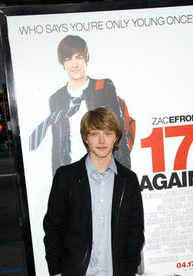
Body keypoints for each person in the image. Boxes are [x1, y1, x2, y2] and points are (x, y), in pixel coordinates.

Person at [43, 108, 144, 276]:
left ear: (116, 138)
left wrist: (127, 274)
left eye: (107, 133)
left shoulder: (128, 180)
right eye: (94, 133)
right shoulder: (66, 177)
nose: (101, 139)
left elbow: (135, 230)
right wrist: (57, 273)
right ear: (85, 137)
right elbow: (53, 226)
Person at [29, 35, 131, 175]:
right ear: (62, 63)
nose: (74, 64)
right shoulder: (57, 98)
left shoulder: (104, 88)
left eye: (78, 57)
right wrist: (58, 179)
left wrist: (124, 172)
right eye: (68, 59)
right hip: (73, 173)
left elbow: (120, 133)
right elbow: (57, 144)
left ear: (86, 59)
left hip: (105, 170)